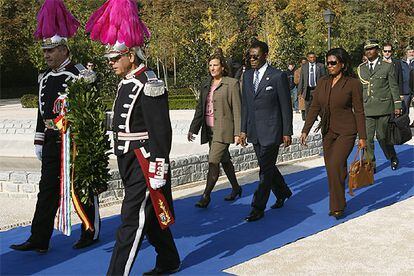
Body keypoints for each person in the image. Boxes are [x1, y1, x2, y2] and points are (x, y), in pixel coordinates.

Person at [86, 1, 180, 275]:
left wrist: (159, 165)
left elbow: (161, 129)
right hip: (127, 158)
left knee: (130, 220)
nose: (111, 63)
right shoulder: (126, 81)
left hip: (144, 160)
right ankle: (169, 259)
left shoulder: (149, 82)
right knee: (149, 215)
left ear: (131, 55)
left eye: (115, 58)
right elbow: (123, 121)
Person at [10, 0, 100, 253]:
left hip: (74, 141)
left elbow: (90, 110)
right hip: (51, 140)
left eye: (51, 51)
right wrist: (39, 139)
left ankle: (89, 230)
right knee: (46, 189)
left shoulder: (79, 75)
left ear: (64, 49)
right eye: (45, 51)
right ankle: (39, 237)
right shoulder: (45, 78)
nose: (46, 55)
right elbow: (42, 113)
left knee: (80, 186)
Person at [301, 48, 367, 219]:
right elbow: (315, 107)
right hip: (328, 131)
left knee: (335, 165)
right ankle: (341, 197)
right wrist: (305, 130)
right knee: (333, 169)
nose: (329, 66)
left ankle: (337, 206)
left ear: (342, 65)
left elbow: (359, 111)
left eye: (333, 63)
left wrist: (363, 137)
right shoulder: (322, 82)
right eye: (328, 62)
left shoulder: (353, 84)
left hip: (346, 131)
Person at [240, 39, 293, 222]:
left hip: (272, 131)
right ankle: (283, 191)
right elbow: (245, 105)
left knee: (264, 171)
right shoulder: (247, 76)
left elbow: (286, 106)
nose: (252, 59)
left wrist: (287, 131)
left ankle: (257, 207)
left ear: (265, 55)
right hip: (254, 131)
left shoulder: (278, 76)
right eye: (249, 56)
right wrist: (243, 130)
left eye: (255, 56)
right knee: (267, 167)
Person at [188, 53, 242, 208]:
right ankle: (236, 188)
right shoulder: (206, 84)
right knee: (224, 160)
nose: (212, 68)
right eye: (210, 65)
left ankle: (206, 196)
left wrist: (238, 132)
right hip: (209, 130)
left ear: (222, 67)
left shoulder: (231, 84)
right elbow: (200, 108)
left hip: (223, 130)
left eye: (216, 65)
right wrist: (193, 129)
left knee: (213, 161)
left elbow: (238, 109)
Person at [357, 39, 402, 171]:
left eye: (372, 49)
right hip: (367, 108)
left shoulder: (387, 66)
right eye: (367, 49)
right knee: (368, 138)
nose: (369, 51)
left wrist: (397, 105)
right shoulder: (361, 68)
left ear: (377, 50)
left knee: (383, 137)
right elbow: (359, 90)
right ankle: (371, 163)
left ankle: (392, 156)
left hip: (383, 107)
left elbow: (393, 87)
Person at [297, 52, 326, 121]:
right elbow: (302, 79)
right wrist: (299, 92)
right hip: (307, 89)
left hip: (317, 89)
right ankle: (308, 121)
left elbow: (325, 79)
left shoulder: (320, 66)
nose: (312, 59)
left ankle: (322, 121)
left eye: (314, 57)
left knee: (319, 106)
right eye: (311, 57)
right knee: (307, 106)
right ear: (308, 58)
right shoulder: (304, 67)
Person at [400, 46, 414, 115]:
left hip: (413, 91)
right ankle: (405, 125)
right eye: (410, 52)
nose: (412, 54)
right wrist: (400, 92)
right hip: (405, 91)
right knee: (405, 110)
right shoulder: (401, 63)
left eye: (413, 52)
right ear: (406, 53)